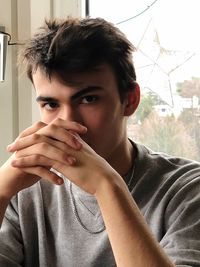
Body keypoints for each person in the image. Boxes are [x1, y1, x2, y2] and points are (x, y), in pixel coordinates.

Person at [0, 17, 199, 267]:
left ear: (130, 100)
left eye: (88, 99)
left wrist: (107, 186)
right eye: (51, 104)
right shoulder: (22, 192)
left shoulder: (188, 190)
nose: (68, 122)